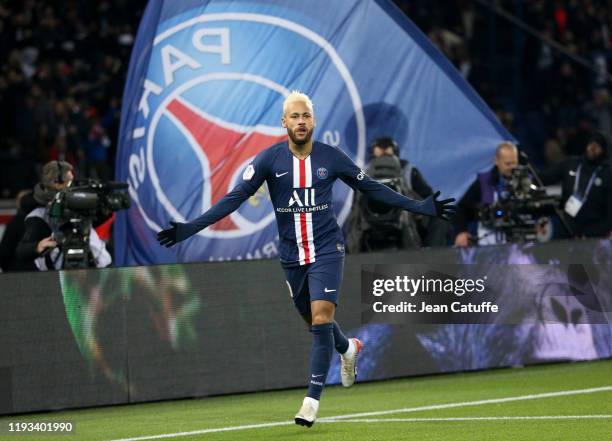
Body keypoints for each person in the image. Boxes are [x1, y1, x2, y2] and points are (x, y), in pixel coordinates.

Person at [156, 91, 455, 427]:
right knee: (316, 325)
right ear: (284, 122)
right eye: (294, 117)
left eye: (306, 116)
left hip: (328, 249)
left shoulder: (331, 157)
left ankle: (311, 401)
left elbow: (371, 187)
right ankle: (348, 348)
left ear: (313, 121)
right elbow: (233, 199)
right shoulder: (268, 160)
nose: (301, 122)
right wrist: (190, 229)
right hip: (292, 256)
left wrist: (420, 207)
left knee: (322, 318)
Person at [16, 160, 112, 271]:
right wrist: (38, 246)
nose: (74, 186)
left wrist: (105, 209)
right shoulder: (39, 216)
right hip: (62, 276)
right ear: (57, 184)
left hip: (100, 268)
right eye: (70, 182)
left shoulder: (80, 204)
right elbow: (21, 251)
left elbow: (94, 221)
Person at [540, 131, 612, 239]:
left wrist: (588, 235)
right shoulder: (571, 164)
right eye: (591, 142)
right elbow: (544, 178)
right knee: (547, 226)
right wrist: (527, 172)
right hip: (567, 225)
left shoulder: (608, 174)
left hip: (593, 233)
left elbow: (609, 218)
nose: (593, 147)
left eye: (598, 144)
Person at [453, 142, 519, 247]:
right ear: (496, 161)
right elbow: (461, 208)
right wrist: (461, 232)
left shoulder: (524, 181)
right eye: (507, 164)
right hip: (489, 240)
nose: (512, 167)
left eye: (514, 163)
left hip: (520, 238)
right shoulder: (483, 182)